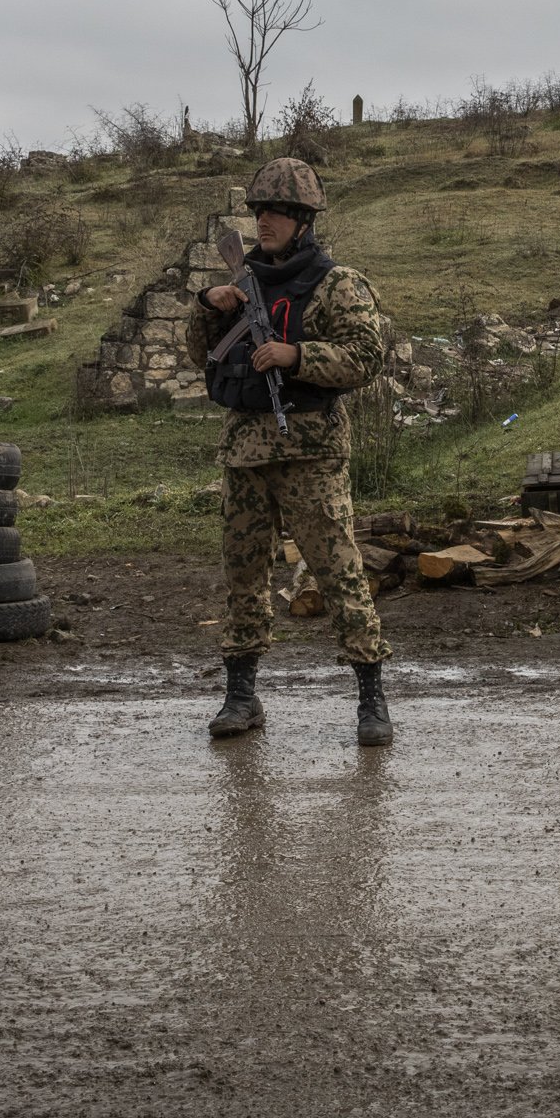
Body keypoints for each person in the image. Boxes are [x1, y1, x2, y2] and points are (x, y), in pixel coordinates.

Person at [188, 158, 394, 746]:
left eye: (275, 211)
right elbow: (198, 356)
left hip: (310, 452)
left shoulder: (337, 284)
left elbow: (366, 356)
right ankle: (241, 695)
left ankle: (371, 697)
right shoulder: (241, 281)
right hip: (245, 453)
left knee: (339, 574)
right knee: (243, 576)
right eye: (258, 211)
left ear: (303, 219)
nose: (263, 222)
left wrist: (296, 356)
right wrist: (209, 307)